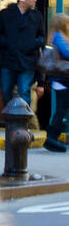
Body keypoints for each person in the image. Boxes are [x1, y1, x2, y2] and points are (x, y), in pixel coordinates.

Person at [0, 0, 44, 107]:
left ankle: (22, 122)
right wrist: (9, 43)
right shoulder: (4, 15)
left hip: (28, 60)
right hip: (8, 59)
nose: (35, 0)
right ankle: (11, 119)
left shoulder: (37, 16)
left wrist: (31, 43)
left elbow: (41, 37)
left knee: (24, 91)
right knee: (5, 91)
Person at [44, 14, 69, 152]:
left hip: (62, 80)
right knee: (61, 110)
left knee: (62, 109)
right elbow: (66, 53)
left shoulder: (58, 36)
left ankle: (52, 137)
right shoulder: (59, 36)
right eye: (67, 23)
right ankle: (52, 137)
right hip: (61, 80)